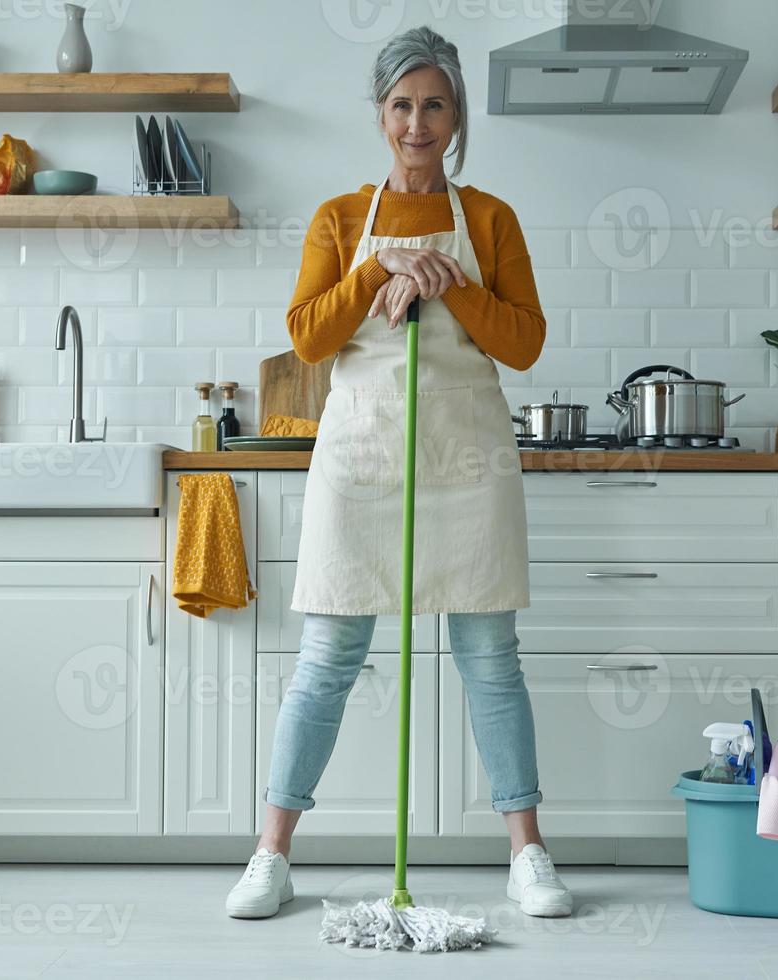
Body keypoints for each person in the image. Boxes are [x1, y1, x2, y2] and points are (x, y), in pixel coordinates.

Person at [226, 24, 572, 921]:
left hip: (469, 459)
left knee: (491, 659)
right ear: (380, 115)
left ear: (457, 117)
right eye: (401, 106)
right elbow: (308, 338)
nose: (418, 124)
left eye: (435, 105)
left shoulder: (489, 219)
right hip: (363, 455)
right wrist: (382, 262)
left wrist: (447, 279)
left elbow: (525, 344)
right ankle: (271, 854)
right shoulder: (340, 218)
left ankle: (528, 854)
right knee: (328, 658)